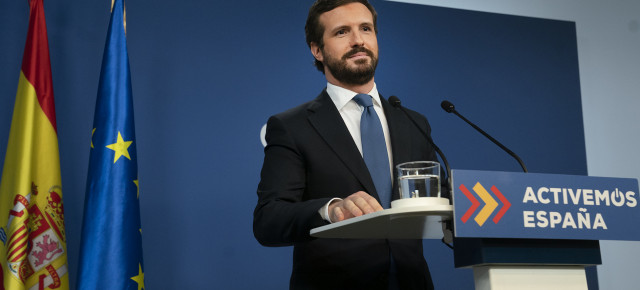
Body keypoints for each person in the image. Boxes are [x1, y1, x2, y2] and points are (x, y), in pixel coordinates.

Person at [253, 0, 439, 289]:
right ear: (317, 50)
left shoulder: (413, 123)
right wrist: (332, 209)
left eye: (366, 28)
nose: (358, 40)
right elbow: (269, 220)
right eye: (342, 32)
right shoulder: (292, 126)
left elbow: (442, 201)